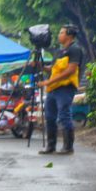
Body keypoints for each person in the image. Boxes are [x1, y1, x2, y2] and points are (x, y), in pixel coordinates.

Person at [40, 24, 84, 155]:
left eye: (61, 32)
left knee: (64, 115)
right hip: (53, 88)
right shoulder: (59, 52)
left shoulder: (75, 49)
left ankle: (68, 147)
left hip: (65, 88)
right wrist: (40, 66)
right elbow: (51, 69)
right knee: (49, 116)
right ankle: (51, 146)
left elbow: (71, 70)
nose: (59, 35)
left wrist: (49, 81)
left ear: (69, 35)